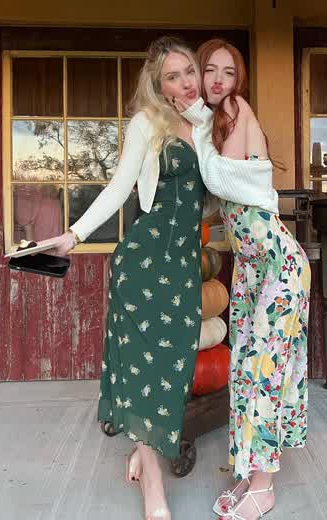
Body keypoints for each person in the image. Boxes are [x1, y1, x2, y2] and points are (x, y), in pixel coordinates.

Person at [41, 36, 208, 520]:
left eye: (189, 71)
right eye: (173, 76)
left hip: (184, 265)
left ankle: (143, 444)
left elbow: (226, 183)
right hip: (144, 261)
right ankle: (153, 484)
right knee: (143, 365)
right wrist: (74, 234)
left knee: (174, 367)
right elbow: (119, 188)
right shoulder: (147, 123)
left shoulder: (207, 123)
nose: (185, 82)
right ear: (158, 84)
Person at [177, 39, 311, 520]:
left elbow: (221, 180)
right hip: (252, 268)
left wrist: (195, 121)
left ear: (239, 81)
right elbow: (215, 196)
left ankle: (265, 486)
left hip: (278, 263)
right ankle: (249, 471)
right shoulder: (215, 123)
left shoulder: (234, 108)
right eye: (209, 70)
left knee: (261, 369)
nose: (218, 80)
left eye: (228, 72)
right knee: (242, 369)